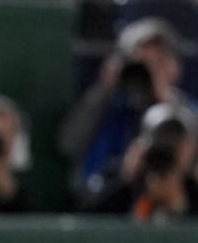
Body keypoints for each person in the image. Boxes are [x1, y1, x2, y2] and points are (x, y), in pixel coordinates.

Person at [58, 16, 197, 202]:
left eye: (158, 63)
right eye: (142, 64)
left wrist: (166, 102)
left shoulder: (189, 111)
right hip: (108, 209)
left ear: (175, 67)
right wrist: (104, 88)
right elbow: (68, 144)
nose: (149, 71)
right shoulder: (109, 108)